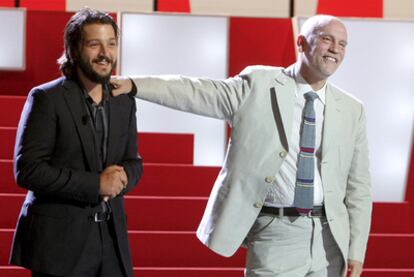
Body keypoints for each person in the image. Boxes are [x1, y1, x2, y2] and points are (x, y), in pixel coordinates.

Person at [112, 14, 371, 276]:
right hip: (276, 233)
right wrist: (135, 85)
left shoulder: (352, 110)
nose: (335, 49)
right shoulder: (258, 84)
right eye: (326, 39)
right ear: (301, 42)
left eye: (342, 44)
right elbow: (196, 91)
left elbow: (359, 187)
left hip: (330, 241)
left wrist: (355, 251)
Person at [9, 8, 142, 277]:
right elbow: (28, 170)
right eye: (95, 44)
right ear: (73, 49)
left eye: (111, 44)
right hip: (60, 249)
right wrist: (96, 184)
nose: (105, 53)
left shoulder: (124, 100)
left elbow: (133, 161)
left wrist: (124, 176)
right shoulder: (47, 98)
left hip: (111, 246)